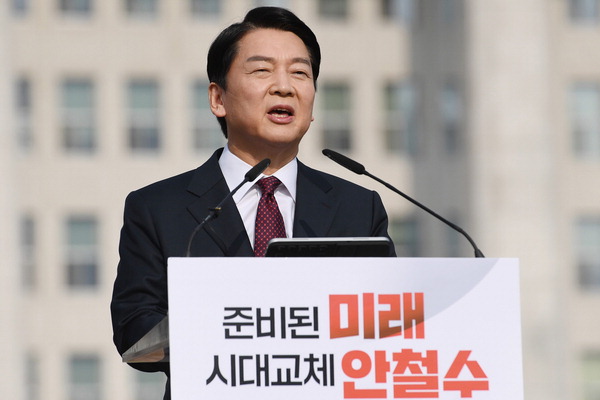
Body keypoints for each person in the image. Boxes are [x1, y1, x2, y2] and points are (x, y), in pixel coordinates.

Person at [110, 6, 396, 399]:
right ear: (218, 98)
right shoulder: (158, 207)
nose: (284, 87)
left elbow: (388, 324)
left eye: (300, 73)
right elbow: (134, 327)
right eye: (262, 70)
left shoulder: (358, 207)